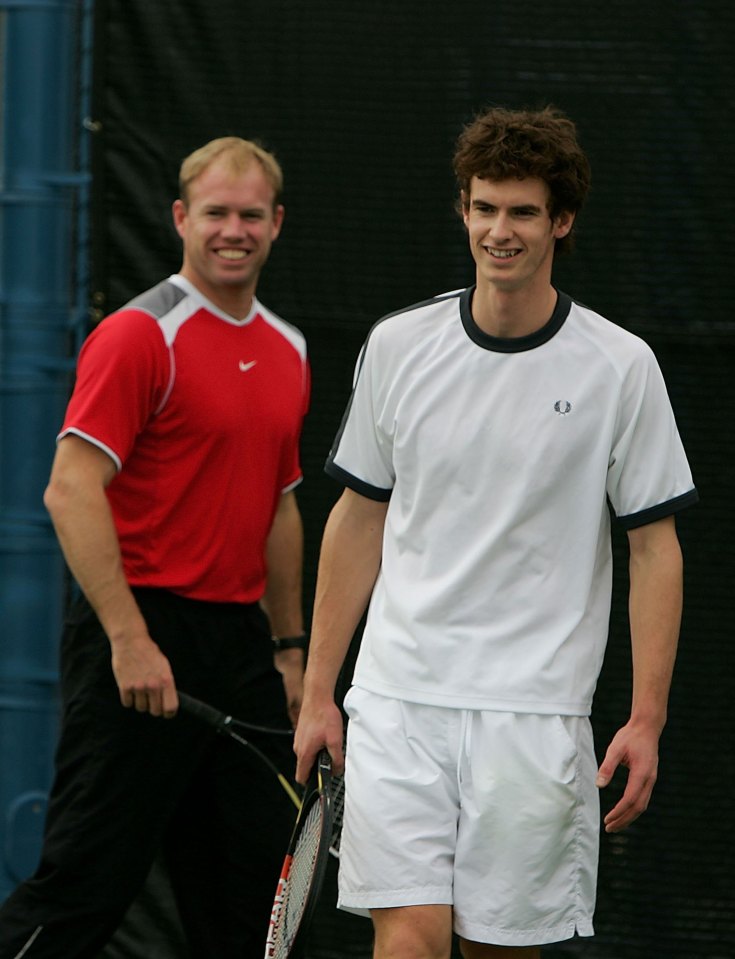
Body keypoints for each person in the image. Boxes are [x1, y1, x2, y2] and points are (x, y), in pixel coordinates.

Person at [294, 106, 698, 959]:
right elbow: (358, 517)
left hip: (535, 712)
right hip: (398, 698)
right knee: (407, 935)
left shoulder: (621, 367)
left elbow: (653, 547)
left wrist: (646, 717)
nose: (497, 230)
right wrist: (319, 690)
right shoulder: (398, 346)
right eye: (482, 208)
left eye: (519, 212)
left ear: (561, 221)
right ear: (462, 211)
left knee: (495, 951)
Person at [0, 136, 310, 958]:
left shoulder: (290, 349)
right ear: (181, 217)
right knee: (82, 890)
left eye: (250, 214)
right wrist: (128, 638)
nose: (232, 230)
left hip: (239, 650)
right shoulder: (139, 335)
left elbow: (280, 509)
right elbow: (69, 489)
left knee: (251, 907)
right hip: (136, 643)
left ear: (276, 223)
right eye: (215, 212)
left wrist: (288, 650)